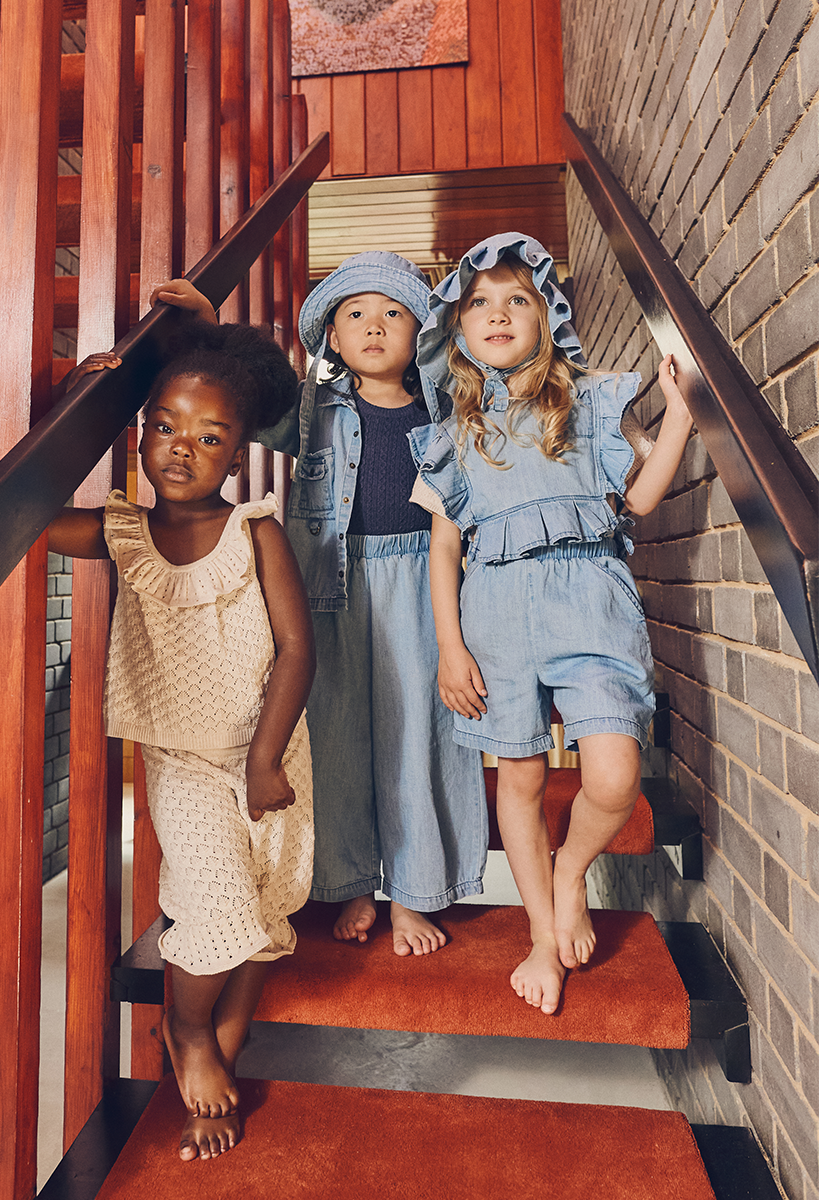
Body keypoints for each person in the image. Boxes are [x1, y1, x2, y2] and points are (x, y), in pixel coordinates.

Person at [152, 257, 489, 956]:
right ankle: (350, 882)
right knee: (333, 738)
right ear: (332, 337)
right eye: (355, 314)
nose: (374, 326)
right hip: (329, 589)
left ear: (421, 334)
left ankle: (415, 892)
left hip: (423, 588)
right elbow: (242, 397)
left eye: (393, 314)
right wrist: (210, 328)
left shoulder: (449, 408)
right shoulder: (310, 409)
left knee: (417, 735)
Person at [48, 320, 315, 1162]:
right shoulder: (123, 534)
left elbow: (298, 649)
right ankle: (190, 1031)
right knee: (216, 903)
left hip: (269, 751)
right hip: (183, 760)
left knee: (266, 907)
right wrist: (72, 409)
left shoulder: (255, 531)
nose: (180, 448)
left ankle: (221, 1049)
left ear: (236, 456)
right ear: (138, 435)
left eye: (208, 437)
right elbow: (30, 515)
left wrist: (265, 758)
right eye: (163, 426)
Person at [410, 232, 694, 1016]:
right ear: (459, 328)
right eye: (480, 303)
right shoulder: (454, 433)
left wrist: (679, 415)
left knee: (614, 776)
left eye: (518, 299)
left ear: (547, 315)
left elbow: (639, 499)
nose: (498, 314)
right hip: (494, 612)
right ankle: (542, 933)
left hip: (591, 604)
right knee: (522, 777)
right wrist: (450, 648)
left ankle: (571, 870)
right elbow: (443, 549)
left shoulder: (590, 400)